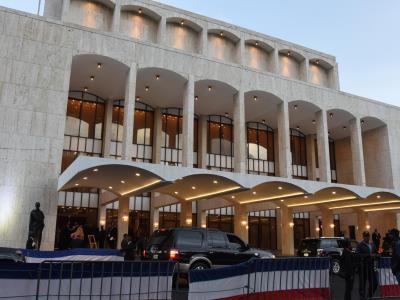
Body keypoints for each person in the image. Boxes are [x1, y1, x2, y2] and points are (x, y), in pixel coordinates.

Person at [356, 231, 377, 299]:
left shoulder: (372, 244)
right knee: (363, 283)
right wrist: (368, 255)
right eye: (365, 236)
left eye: (367, 236)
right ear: (363, 237)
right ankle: (362, 297)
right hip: (363, 266)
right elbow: (358, 255)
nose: (366, 237)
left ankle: (369, 295)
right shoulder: (360, 245)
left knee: (374, 282)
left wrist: (375, 255)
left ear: (369, 236)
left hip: (371, 266)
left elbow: (375, 252)